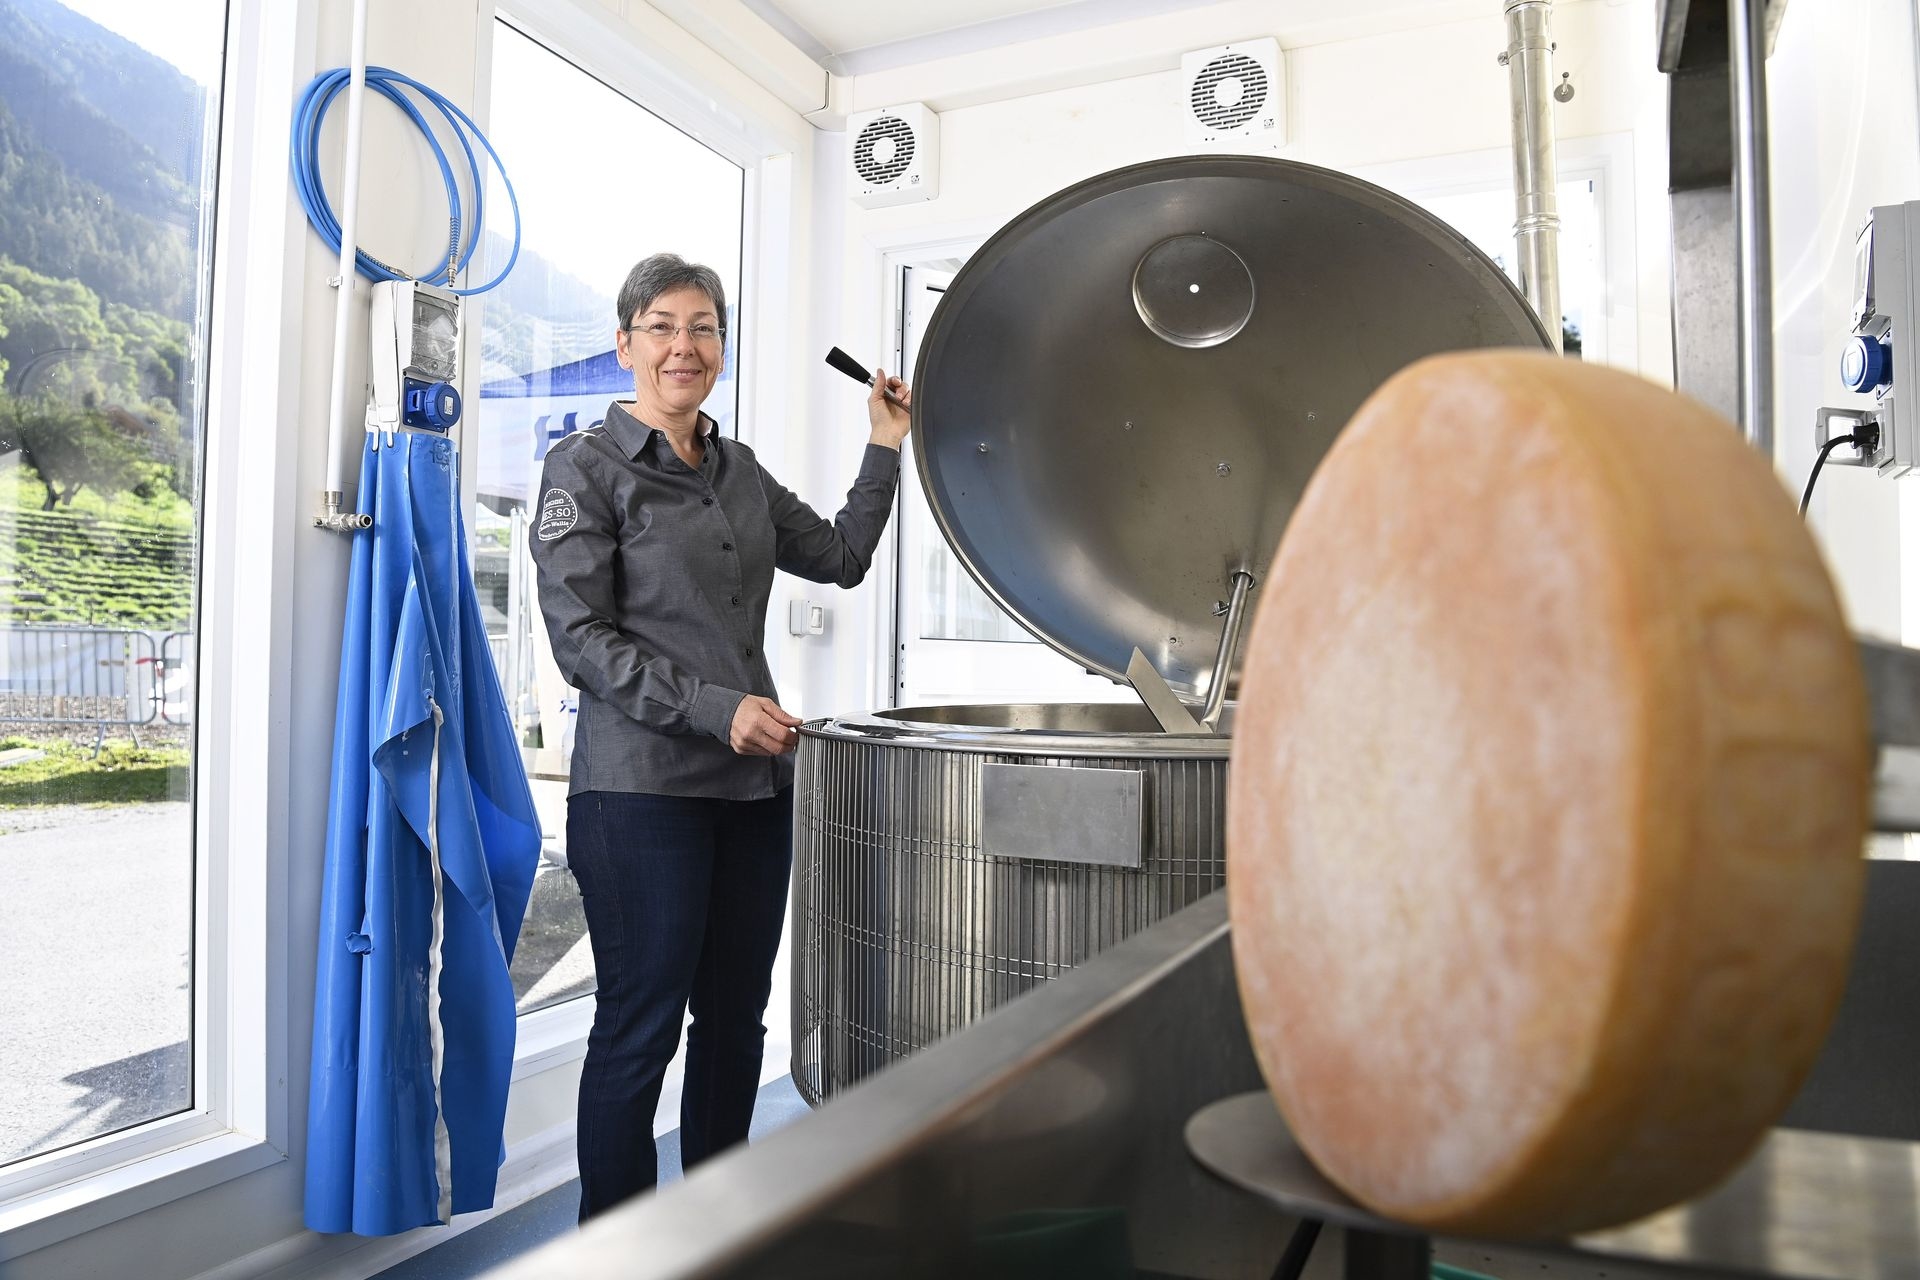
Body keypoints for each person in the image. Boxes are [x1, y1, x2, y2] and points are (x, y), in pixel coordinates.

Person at [529, 253, 909, 1220]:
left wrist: (885, 444)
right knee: (639, 1027)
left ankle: (713, 1227)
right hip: (640, 793)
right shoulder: (583, 468)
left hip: (753, 794)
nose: (682, 346)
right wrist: (715, 707)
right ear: (624, 345)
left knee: (736, 1025)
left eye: (702, 327)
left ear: (721, 350)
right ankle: (616, 1244)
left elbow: (842, 555)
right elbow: (582, 641)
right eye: (660, 326)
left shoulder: (740, 472)